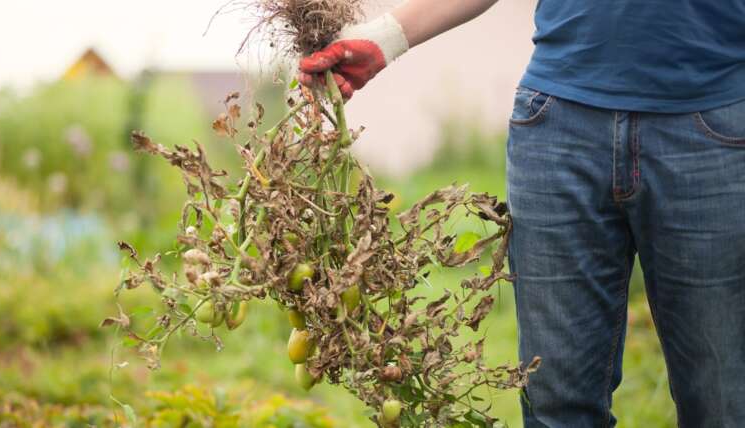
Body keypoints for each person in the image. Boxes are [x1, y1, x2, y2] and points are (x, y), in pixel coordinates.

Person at [298, 1, 745, 427]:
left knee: (723, 400)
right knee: (555, 402)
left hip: (712, 130)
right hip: (558, 130)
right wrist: (384, 39)